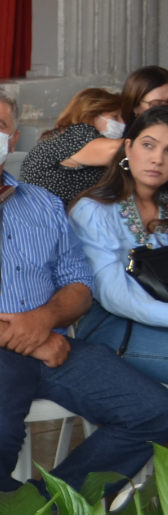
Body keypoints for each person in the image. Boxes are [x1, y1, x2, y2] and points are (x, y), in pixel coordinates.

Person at [0, 81, 168, 515]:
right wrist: (28, 337)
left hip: (54, 341)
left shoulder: (43, 203)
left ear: (13, 139)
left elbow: (79, 285)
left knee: (156, 413)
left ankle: (43, 511)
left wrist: (42, 321)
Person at [70, 106, 168, 385]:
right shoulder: (94, 210)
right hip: (111, 323)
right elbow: (115, 295)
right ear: (128, 147)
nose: (157, 159)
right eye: (148, 145)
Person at [20, 87, 124, 205]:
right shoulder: (74, 134)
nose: (122, 123)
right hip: (46, 213)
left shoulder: (62, 135)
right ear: (92, 114)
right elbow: (117, 151)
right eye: (115, 117)